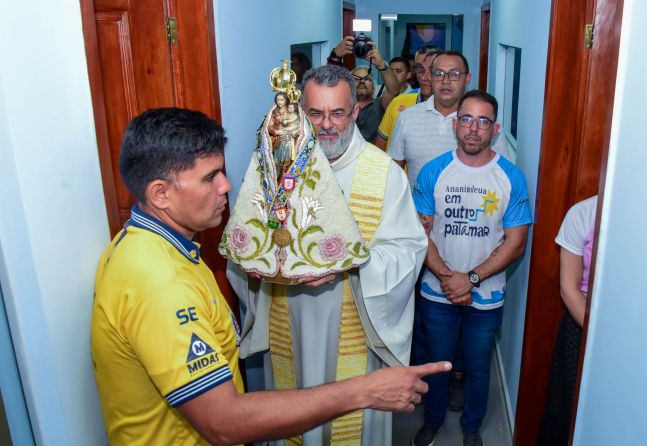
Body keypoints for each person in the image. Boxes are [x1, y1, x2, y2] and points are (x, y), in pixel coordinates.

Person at [91, 107, 449, 445]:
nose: (226, 186)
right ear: (160, 194)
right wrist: (365, 390)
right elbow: (223, 422)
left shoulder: (148, 246)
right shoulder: (159, 283)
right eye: (210, 177)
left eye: (221, 172)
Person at [228, 65, 428, 445]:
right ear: (301, 112)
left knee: (352, 417)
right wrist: (254, 264)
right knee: (292, 412)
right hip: (290, 318)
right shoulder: (273, 167)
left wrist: (347, 266)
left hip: (354, 317)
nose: (327, 125)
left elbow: (408, 251)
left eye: (338, 113)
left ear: (356, 111)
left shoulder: (383, 174)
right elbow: (244, 239)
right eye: (315, 113)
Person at [412, 91, 532, 446]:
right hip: (437, 291)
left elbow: (516, 243)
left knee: (478, 368)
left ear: (494, 129)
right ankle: (431, 421)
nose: (473, 129)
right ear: (456, 124)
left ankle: (471, 427)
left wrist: (472, 279)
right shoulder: (434, 171)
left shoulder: (511, 177)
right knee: (437, 362)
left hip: (487, 295)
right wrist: (450, 279)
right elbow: (419, 233)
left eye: (483, 122)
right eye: (467, 119)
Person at [388, 51, 510, 187]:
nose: (446, 81)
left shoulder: (485, 124)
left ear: (467, 79)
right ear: (430, 77)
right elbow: (393, 175)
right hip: (416, 207)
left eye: (454, 74)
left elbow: (504, 176)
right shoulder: (407, 118)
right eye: (439, 74)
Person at [537, 195, 598, 446]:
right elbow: (569, 290)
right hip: (583, 321)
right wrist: (600, 334)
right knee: (566, 406)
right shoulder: (583, 213)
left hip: (634, 333)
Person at [328, 35, 404, 142]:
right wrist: (335, 55)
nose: (362, 81)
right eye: (356, 78)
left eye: (367, 79)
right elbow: (328, 84)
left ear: (373, 85)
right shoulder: (342, 105)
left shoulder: (380, 105)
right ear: (349, 84)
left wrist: (381, 64)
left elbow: (394, 90)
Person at [374, 46, 442, 152]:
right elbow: (378, 151)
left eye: (432, 70)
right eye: (419, 68)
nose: (425, 77)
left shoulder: (453, 110)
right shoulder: (398, 103)